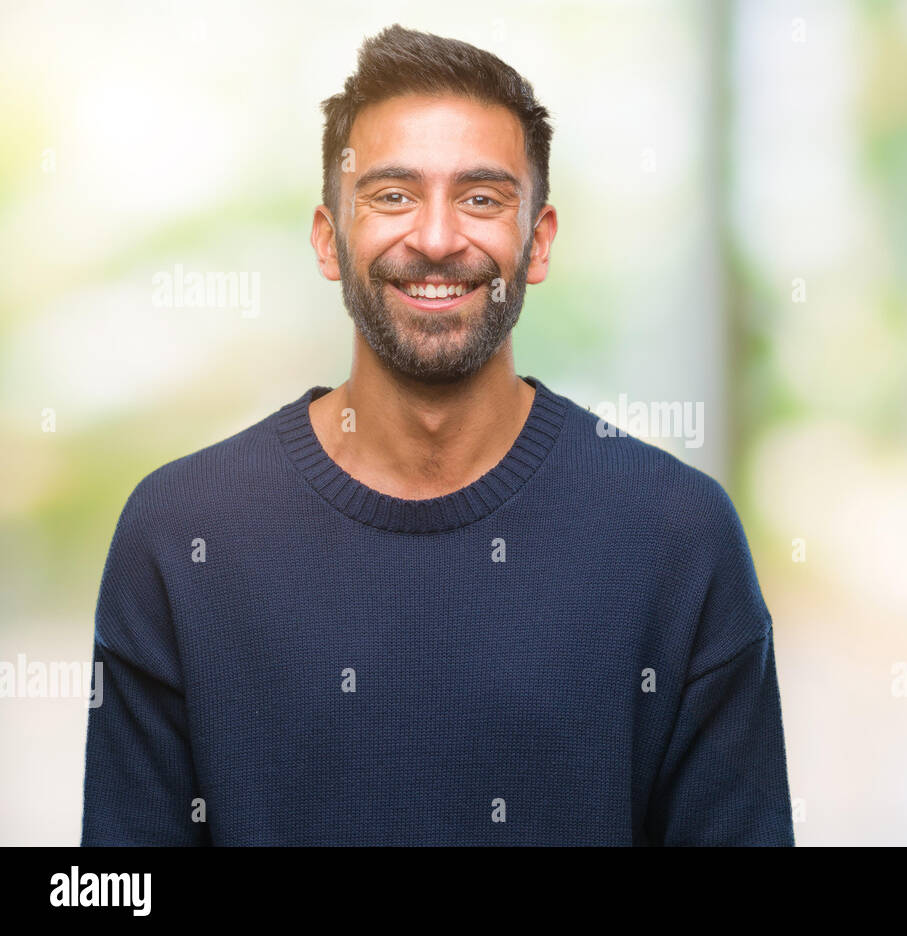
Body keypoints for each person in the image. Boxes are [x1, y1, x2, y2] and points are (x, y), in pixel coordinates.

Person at [80, 24, 794, 846]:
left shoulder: (676, 534)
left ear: (539, 241)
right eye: (392, 195)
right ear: (327, 237)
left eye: (482, 197)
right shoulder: (181, 532)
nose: (436, 238)